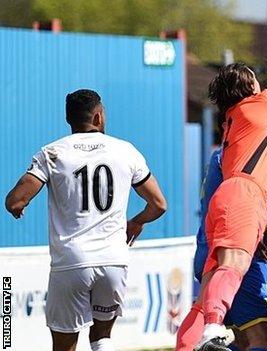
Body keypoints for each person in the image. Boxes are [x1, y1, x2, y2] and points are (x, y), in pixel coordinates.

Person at [176, 47, 267, 351]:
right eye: (256, 80)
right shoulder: (259, 105)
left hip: (233, 198)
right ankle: (214, 331)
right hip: (243, 197)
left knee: (206, 296)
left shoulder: (238, 116)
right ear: (251, 87)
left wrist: (264, 224)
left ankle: (191, 342)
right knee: (232, 267)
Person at [5, 89, 167, 351]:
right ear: (99, 116)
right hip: (114, 261)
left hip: (71, 263)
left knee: (64, 344)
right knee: (102, 337)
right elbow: (159, 204)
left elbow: (15, 200)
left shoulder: (52, 153)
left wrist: (17, 207)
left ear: (69, 119)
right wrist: (137, 222)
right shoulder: (126, 151)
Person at [190, 106, 267, 351]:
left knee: (247, 336)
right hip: (240, 252)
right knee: (261, 336)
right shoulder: (237, 156)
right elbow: (235, 201)